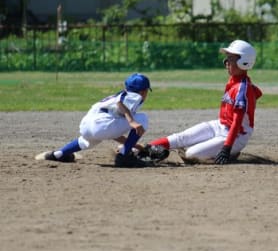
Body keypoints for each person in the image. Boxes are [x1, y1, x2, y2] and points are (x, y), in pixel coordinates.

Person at [146, 39, 263, 164]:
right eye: (227, 58)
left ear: (244, 62)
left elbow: (237, 121)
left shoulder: (242, 88)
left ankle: (230, 154)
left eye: (231, 59)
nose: (226, 62)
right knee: (181, 138)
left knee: (191, 154)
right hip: (220, 125)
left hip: (237, 135)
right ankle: (142, 149)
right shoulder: (235, 81)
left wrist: (227, 148)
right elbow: (257, 93)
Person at [38, 73, 167, 168]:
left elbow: (111, 132)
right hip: (102, 123)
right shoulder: (134, 96)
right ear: (143, 91)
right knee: (142, 118)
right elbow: (119, 104)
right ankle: (124, 156)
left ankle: (58, 154)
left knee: (87, 141)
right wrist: (131, 121)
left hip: (87, 124)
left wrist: (137, 146)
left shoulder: (119, 95)